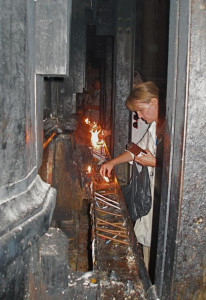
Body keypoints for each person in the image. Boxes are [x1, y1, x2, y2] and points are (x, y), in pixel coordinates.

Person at [100, 81, 160, 269]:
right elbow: (137, 150)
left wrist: (156, 163)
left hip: (164, 199)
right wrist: (113, 162)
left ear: (154, 102)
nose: (139, 117)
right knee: (147, 243)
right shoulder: (153, 127)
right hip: (150, 193)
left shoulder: (173, 128)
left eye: (141, 111)